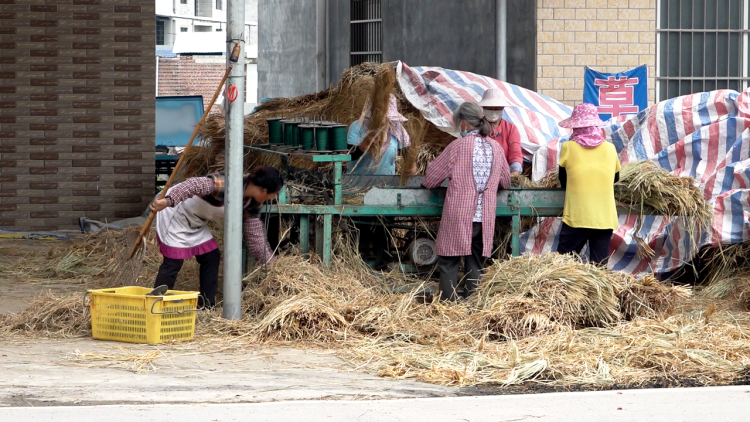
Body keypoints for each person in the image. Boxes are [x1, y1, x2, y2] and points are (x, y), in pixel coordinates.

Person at [149, 166, 284, 308]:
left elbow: (255, 234)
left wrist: (269, 261)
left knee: (211, 257)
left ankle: (206, 306)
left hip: (197, 220)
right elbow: (194, 184)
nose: (273, 198)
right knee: (173, 262)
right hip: (176, 211)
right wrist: (168, 200)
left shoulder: (253, 202)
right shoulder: (228, 183)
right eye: (274, 194)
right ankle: (156, 304)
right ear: (264, 191)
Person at [422, 102, 511, 301]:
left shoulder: (458, 147)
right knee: (476, 262)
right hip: (484, 217)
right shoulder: (496, 148)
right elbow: (506, 181)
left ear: (463, 123)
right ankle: (473, 304)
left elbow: (431, 178)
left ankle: (449, 304)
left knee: (449, 262)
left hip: (459, 214)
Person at [555, 103, 621, 266]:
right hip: (604, 218)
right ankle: (598, 293)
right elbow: (616, 178)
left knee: (564, 267)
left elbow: (563, 181)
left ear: (576, 127)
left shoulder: (568, 147)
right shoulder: (610, 148)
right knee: (599, 269)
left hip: (577, 217)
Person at [347, 94, 411, 175]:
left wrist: (411, 166)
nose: (384, 121)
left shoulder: (396, 129)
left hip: (386, 183)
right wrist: (363, 145)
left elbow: (408, 156)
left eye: (388, 118)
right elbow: (349, 156)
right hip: (357, 183)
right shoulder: (357, 126)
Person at [478, 88, 523, 176]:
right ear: (483, 108)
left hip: (501, 174)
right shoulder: (476, 126)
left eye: (497, 108)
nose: (493, 110)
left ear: (502, 108)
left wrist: (515, 171)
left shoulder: (510, 129)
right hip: (479, 173)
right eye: (490, 108)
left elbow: (515, 153)